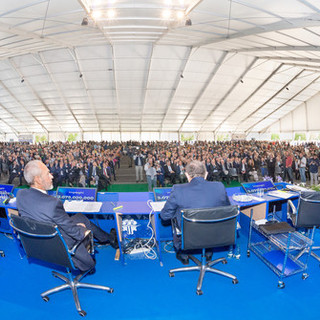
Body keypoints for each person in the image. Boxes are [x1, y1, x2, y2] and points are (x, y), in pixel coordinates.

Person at [16, 160, 118, 272]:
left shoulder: (21, 195)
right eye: (47, 173)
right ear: (37, 179)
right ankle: (110, 240)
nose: (52, 176)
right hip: (59, 246)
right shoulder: (52, 203)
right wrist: (81, 227)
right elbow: (77, 234)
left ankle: (108, 238)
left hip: (39, 245)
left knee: (80, 216)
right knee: (83, 222)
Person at [160, 160, 230, 265]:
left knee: (177, 215)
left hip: (188, 236)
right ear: (206, 174)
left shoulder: (178, 189)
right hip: (214, 235)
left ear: (187, 175)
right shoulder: (219, 186)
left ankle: (183, 255)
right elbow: (227, 210)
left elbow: (165, 216)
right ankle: (208, 253)